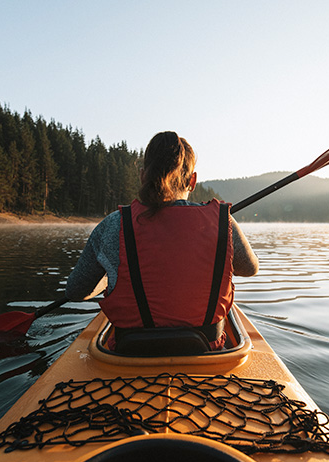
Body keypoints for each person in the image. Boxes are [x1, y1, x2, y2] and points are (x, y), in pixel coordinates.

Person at [65, 131, 258, 351]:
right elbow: (250, 268)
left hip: (128, 355)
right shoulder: (224, 222)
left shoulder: (113, 225)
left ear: (142, 176)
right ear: (192, 181)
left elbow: (75, 291)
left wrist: (110, 275)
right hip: (206, 352)